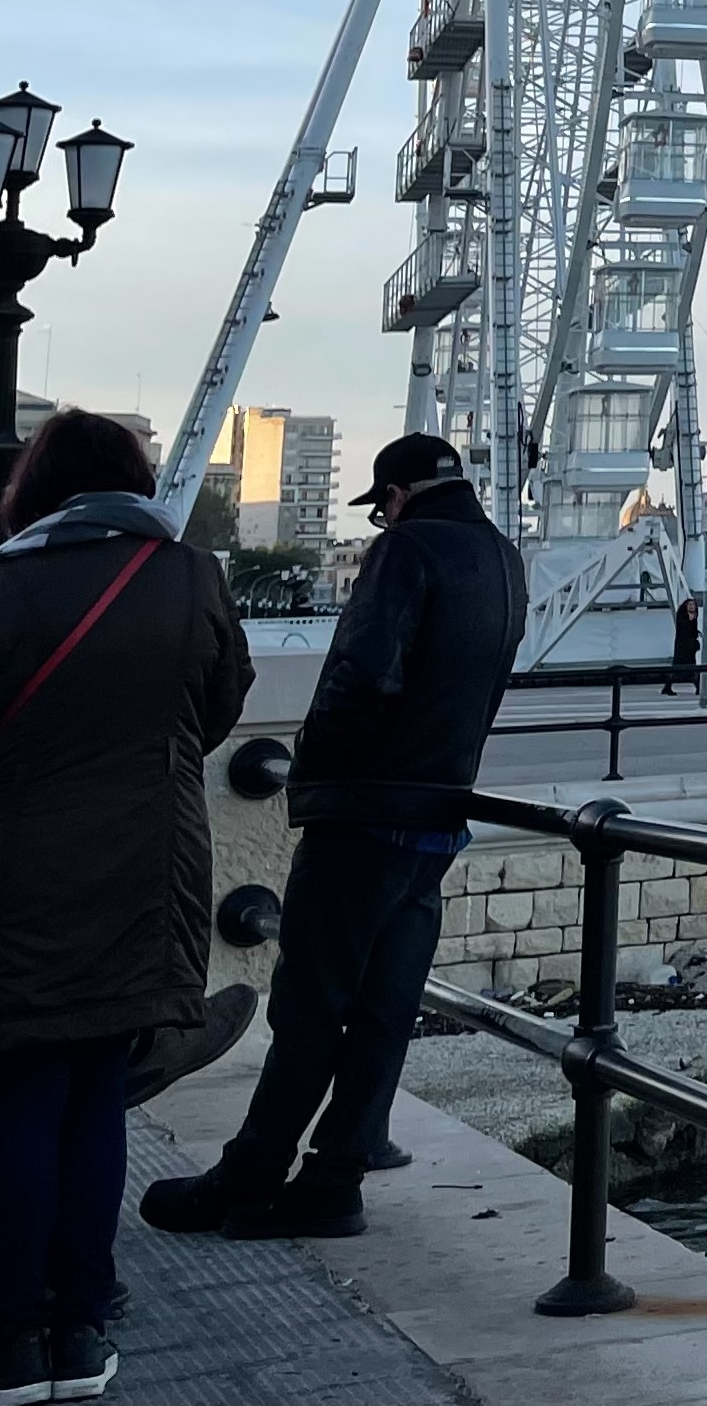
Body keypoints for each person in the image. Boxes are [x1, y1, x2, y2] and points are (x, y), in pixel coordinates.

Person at [0, 409, 252, 1406]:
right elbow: (219, 704)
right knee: (98, 1097)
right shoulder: (190, 576)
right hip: (146, 868)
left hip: (10, 873)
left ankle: (8, 1342)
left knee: (18, 1100)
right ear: (137, 482)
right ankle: (82, 1329)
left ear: (32, 488)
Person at [144, 429, 522, 1244]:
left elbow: (361, 673)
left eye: (381, 507)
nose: (381, 521)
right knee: (385, 1009)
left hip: (364, 812)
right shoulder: (502, 560)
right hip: (436, 817)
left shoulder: (407, 552)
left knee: (310, 1003)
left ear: (398, 495)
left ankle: (249, 1171)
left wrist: (318, 773)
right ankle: (334, 1178)